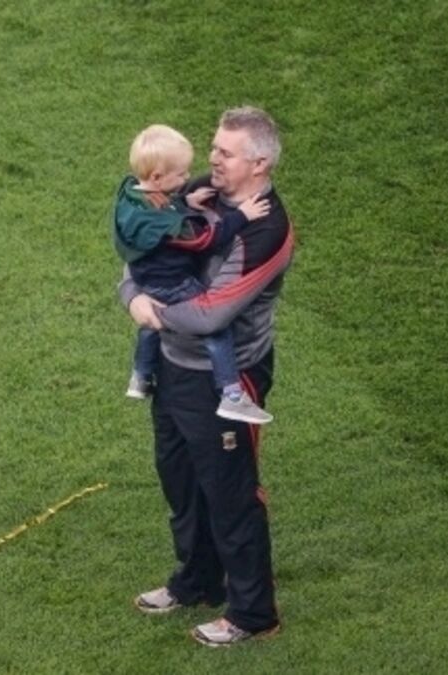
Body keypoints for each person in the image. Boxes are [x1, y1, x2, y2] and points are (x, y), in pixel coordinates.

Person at [119, 106, 295, 646]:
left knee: (231, 493)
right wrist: (132, 297)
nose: (212, 158)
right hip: (173, 367)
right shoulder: (201, 192)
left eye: (225, 152)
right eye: (214, 147)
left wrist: (151, 312)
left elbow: (212, 315)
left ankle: (252, 613)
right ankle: (197, 581)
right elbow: (139, 252)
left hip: (227, 379)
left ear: (259, 163)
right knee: (180, 478)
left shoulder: (267, 230)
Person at [113, 124, 274, 424]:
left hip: (144, 278)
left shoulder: (132, 193)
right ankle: (232, 395)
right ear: (157, 177)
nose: (188, 178)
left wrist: (185, 202)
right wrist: (242, 216)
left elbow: (160, 205)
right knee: (217, 331)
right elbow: (204, 240)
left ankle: (141, 375)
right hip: (171, 284)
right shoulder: (166, 225)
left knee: (148, 326)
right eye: (181, 175)